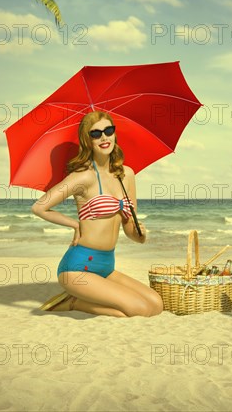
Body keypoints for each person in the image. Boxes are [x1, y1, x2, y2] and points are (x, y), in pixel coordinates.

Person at [32, 110, 164, 317]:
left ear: (114, 134)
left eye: (108, 130)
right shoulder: (83, 177)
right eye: (96, 134)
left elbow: (131, 232)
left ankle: (79, 299)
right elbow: (39, 207)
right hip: (77, 268)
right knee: (137, 310)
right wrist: (75, 225)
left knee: (156, 304)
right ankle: (73, 302)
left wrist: (141, 234)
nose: (104, 137)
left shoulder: (126, 175)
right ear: (87, 140)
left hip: (106, 266)